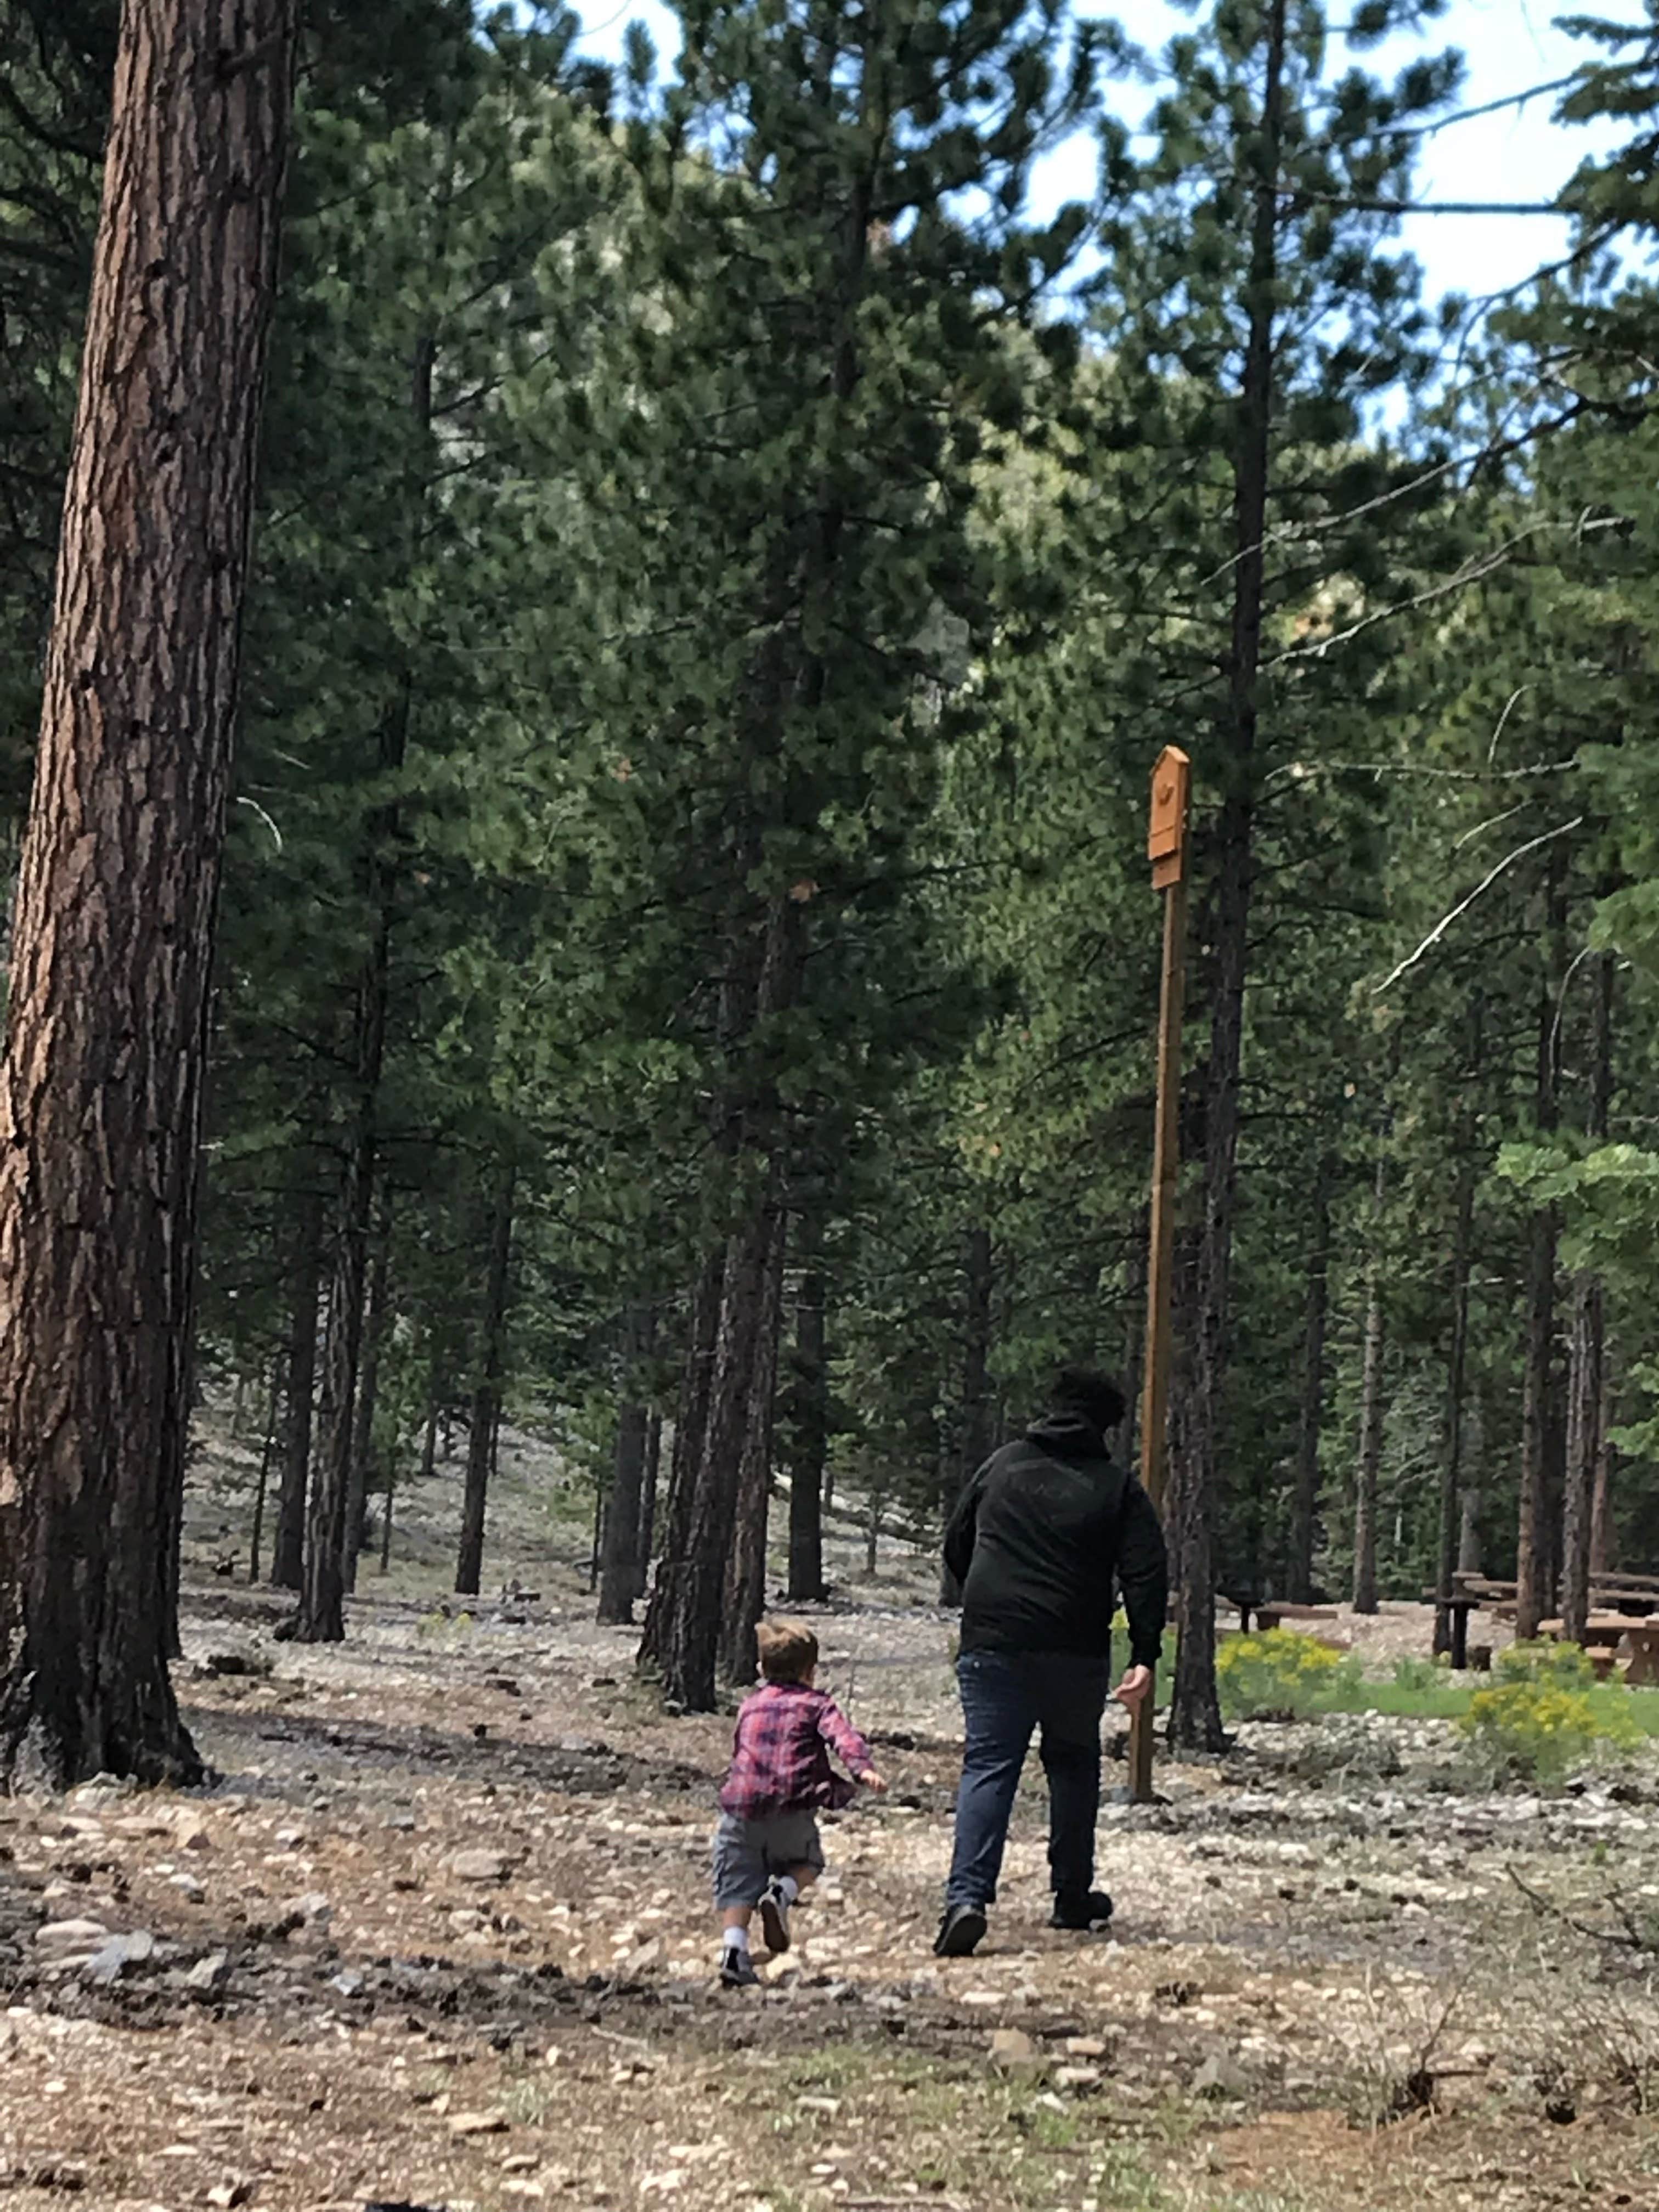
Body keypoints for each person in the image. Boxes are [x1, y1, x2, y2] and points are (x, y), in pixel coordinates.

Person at [935, 1367, 1168, 1959]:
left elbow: (957, 1540)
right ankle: (1071, 1895)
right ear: (1106, 1426)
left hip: (993, 1639)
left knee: (990, 1764)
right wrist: (1145, 1654)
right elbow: (1145, 1573)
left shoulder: (1003, 1464)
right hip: (1074, 1645)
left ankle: (966, 1898)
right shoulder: (1115, 1487)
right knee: (1072, 1765)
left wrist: (981, 1601)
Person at [712, 1616, 887, 1988]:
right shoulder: (817, 1704)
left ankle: (733, 1952)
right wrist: (862, 1770)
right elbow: (844, 1739)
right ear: (811, 1671)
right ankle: (782, 1892)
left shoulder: (750, 1705)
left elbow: (737, 1750)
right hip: (793, 1806)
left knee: (737, 1881)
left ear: (761, 1668)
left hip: (741, 1809)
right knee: (808, 1860)